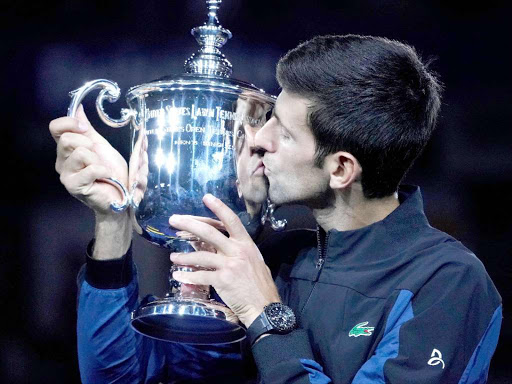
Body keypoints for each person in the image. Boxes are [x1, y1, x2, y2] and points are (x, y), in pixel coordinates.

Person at [167, 35, 502, 383]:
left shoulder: (447, 282)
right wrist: (113, 242)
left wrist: (266, 315)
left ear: (341, 169)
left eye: (282, 132)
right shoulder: (275, 258)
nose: (258, 139)